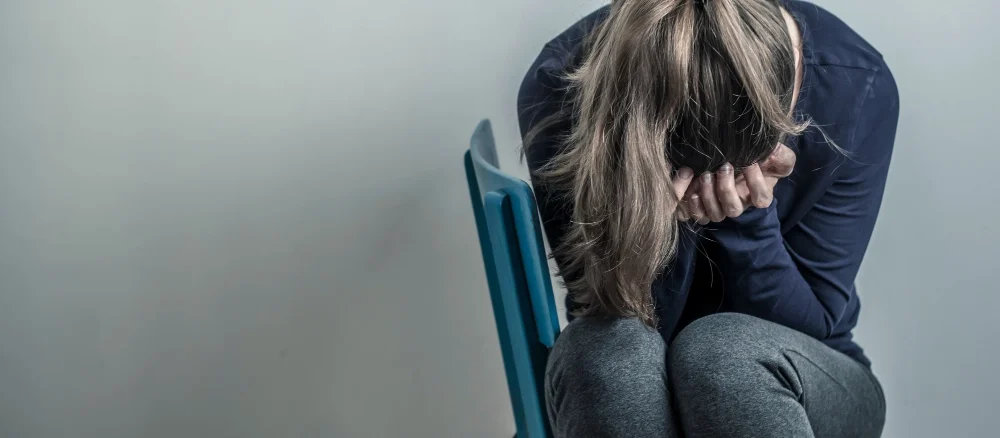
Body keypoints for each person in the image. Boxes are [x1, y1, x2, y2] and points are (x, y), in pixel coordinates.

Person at [516, 0, 898, 437]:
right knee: (608, 350)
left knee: (722, 357)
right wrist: (655, 228)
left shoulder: (855, 86)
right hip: (627, 363)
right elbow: (606, 307)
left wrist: (749, 221)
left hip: (808, 373)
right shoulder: (560, 87)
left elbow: (815, 324)